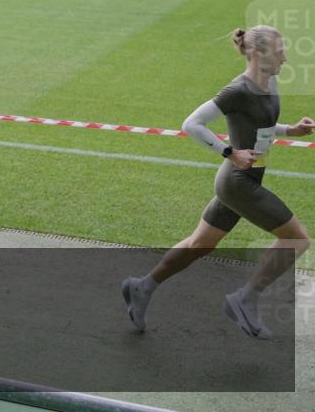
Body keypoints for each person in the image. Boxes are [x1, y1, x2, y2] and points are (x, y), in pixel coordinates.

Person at [122, 25, 313, 339]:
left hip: (241, 181)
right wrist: (229, 152)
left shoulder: (270, 80)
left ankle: (141, 287)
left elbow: (261, 124)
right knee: (297, 239)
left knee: (200, 245)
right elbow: (191, 124)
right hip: (238, 183)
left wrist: (290, 130)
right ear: (257, 54)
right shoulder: (237, 90)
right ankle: (245, 299)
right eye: (279, 52)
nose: (285, 58)